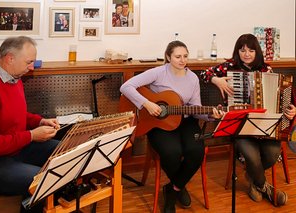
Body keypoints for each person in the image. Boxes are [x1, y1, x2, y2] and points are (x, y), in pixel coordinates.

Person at [120, 40, 223, 213]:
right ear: (168, 57)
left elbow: (196, 109)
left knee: (196, 151)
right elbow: (126, 86)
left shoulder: (192, 78)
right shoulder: (158, 72)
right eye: (177, 57)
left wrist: (210, 115)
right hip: (158, 122)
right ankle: (180, 187)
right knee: (171, 153)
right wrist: (147, 104)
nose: (182, 60)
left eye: (185, 56)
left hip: (185, 121)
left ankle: (173, 189)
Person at [200, 33, 296, 206]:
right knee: (252, 156)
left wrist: (291, 111)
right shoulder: (230, 66)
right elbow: (204, 74)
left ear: (256, 52)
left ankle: (253, 178)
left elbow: (281, 101)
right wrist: (217, 80)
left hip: (266, 128)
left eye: (251, 50)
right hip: (241, 128)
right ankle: (265, 187)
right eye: (243, 50)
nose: (247, 54)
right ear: (238, 51)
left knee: (273, 154)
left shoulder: (266, 70)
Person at [0, 36, 60, 212]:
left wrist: (39, 121)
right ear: (10, 59)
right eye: (29, 62)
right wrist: (31, 135)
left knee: (63, 153)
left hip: (14, 149)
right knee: (42, 180)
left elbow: (17, 115)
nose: (31, 67)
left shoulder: (14, 78)